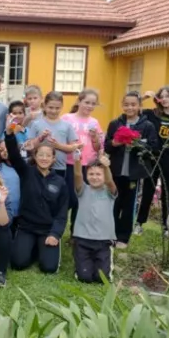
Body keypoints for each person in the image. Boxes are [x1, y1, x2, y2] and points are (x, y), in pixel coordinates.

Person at [4, 130, 69, 274]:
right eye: (41, 155)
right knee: (18, 263)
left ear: (53, 159)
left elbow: (62, 213)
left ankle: (41, 248)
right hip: (26, 227)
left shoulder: (60, 182)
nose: (44, 158)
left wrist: (55, 234)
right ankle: (32, 248)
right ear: (35, 156)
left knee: (48, 268)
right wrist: (9, 135)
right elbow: (14, 155)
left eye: (48, 155)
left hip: (47, 230)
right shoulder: (26, 172)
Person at [103, 92, 158, 248]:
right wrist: (115, 143)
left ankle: (123, 237)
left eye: (133, 104)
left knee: (129, 205)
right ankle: (110, 235)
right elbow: (106, 145)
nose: (130, 107)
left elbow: (153, 148)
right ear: (122, 105)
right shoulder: (115, 123)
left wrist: (137, 144)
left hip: (134, 174)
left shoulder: (147, 126)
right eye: (126, 104)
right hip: (116, 172)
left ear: (139, 105)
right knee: (114, 203)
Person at [135, 86, 169, 237]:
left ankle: (166, 226)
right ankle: (139, 223)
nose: (165, 99)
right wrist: (144, 97)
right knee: (148, 190)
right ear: (158, 99)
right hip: (152, 157)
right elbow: (133, 109)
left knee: (167, 191)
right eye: (162, 96)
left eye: (168, 96)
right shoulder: (151, 114)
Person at [72, 152, 118, 284]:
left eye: (98, 174)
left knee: (101, 279)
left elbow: (109, 181)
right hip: (83, 239)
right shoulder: (83, 190)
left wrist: (106, 166)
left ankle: (103, 265)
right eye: (91, 174)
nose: (95, 177)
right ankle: (80, 266)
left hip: (103, 241)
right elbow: (77, 175)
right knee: (84, 277)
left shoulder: (109, 191)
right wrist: (77, 160)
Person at [62, 89, 104, 231]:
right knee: (67, 198)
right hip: (69, 163)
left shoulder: (94, 122)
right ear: (79, 101)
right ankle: (58, 230)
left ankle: (76, 232)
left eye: (93, 104)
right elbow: (60, 138)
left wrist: (95, 138)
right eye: (87, 102)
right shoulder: (67, 118)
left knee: (82, 200)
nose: (89, 106)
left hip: (87, 165)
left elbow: (99, 147)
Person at [25, 91, 82, 185]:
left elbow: (73, 148)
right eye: (51, 107)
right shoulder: (36, 124)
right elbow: (29, 147)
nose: (54, 111)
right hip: (38, 166)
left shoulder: (67, 126)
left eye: (57, 108)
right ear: (44, 106)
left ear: (62, 107)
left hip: (59, 167)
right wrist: (40, 138)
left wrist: (57, 145)